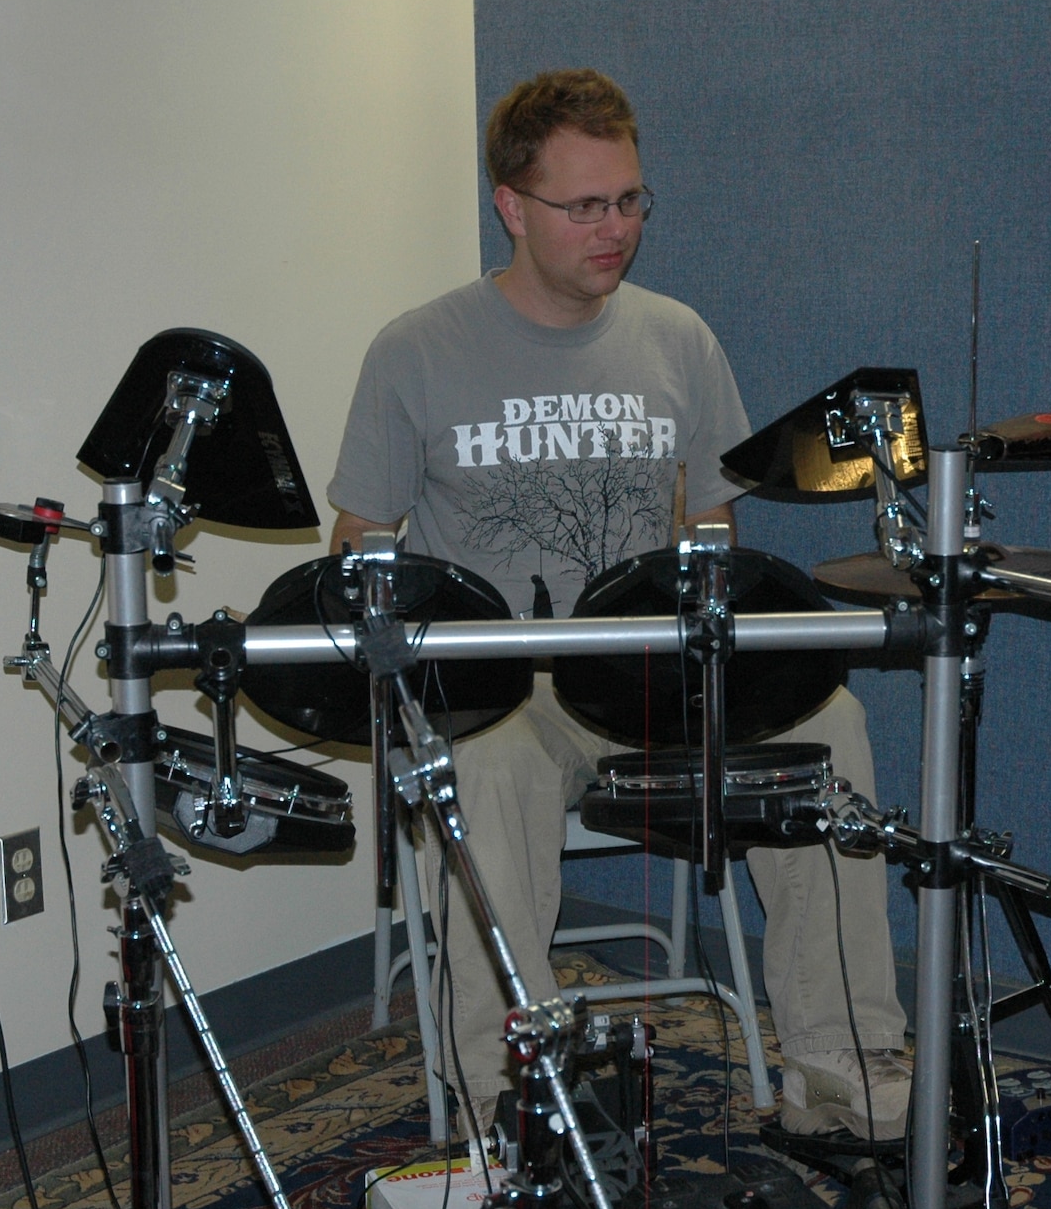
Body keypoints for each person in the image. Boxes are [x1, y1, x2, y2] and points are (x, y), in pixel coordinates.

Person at [326, 69, 908, 1141]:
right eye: (584, 205)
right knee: (481, 764)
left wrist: (708, 629)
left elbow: (711, 532)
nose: (615, 229)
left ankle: (842, 1074)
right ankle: (516, 1100)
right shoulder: (416, 350)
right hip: (508, 689)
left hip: (650, 671)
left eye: (629, 200)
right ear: (510, 205)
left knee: (832, 725)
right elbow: (360, 552)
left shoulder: (677, 338)